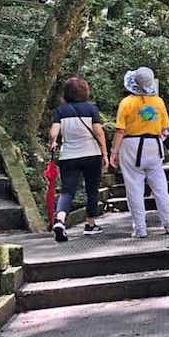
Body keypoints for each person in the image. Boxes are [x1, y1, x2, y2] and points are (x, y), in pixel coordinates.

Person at [110, 67, 169, 239]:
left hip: (131, 145)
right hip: (154, 145)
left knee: (134, 188)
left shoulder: (126, 103)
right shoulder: (158, 102)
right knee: (160, 187)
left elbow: (119, 130)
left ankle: (140, 228)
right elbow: (165, 129)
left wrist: (113, 152)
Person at [48, 76, 108, 242]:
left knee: (67, 191)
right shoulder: (91, 109)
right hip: (91, 154)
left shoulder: (61, 110)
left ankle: (60, 220)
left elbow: (54, 132)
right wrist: (105, 153)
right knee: (92, 190)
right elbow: (99, 132)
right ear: (85, 91)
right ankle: (90, 224)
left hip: (69, 156)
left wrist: (53, 142)